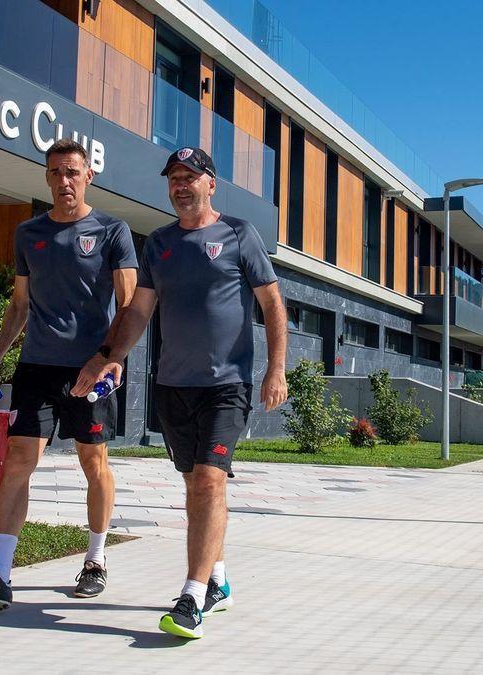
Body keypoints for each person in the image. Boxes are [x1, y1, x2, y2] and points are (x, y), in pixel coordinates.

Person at [73, 146, 288, 639]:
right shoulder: (161, 244)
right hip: (173, 385)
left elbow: (272, 304)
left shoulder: (238, 234)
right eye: (174, 177)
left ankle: (191, 597)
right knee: (196, 486)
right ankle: (217, 578)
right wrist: (109, 355)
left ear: (211, 183)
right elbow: (138, 312)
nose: (180, 185)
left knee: (211, 481)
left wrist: (277, 369)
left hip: (226, 385)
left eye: (190, 177)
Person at [0, 139, 139, 609]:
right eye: (56, 172)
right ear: (47, 177)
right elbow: (19, 306)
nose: (64, 181)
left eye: (72, 171)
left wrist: (107, 359)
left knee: (94, 463)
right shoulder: (28, 233)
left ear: (88, 175)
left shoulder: (113, 230)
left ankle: (95, 559)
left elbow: (130, 306)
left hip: (89, 369)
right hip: (36, 366)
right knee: (18, 460)